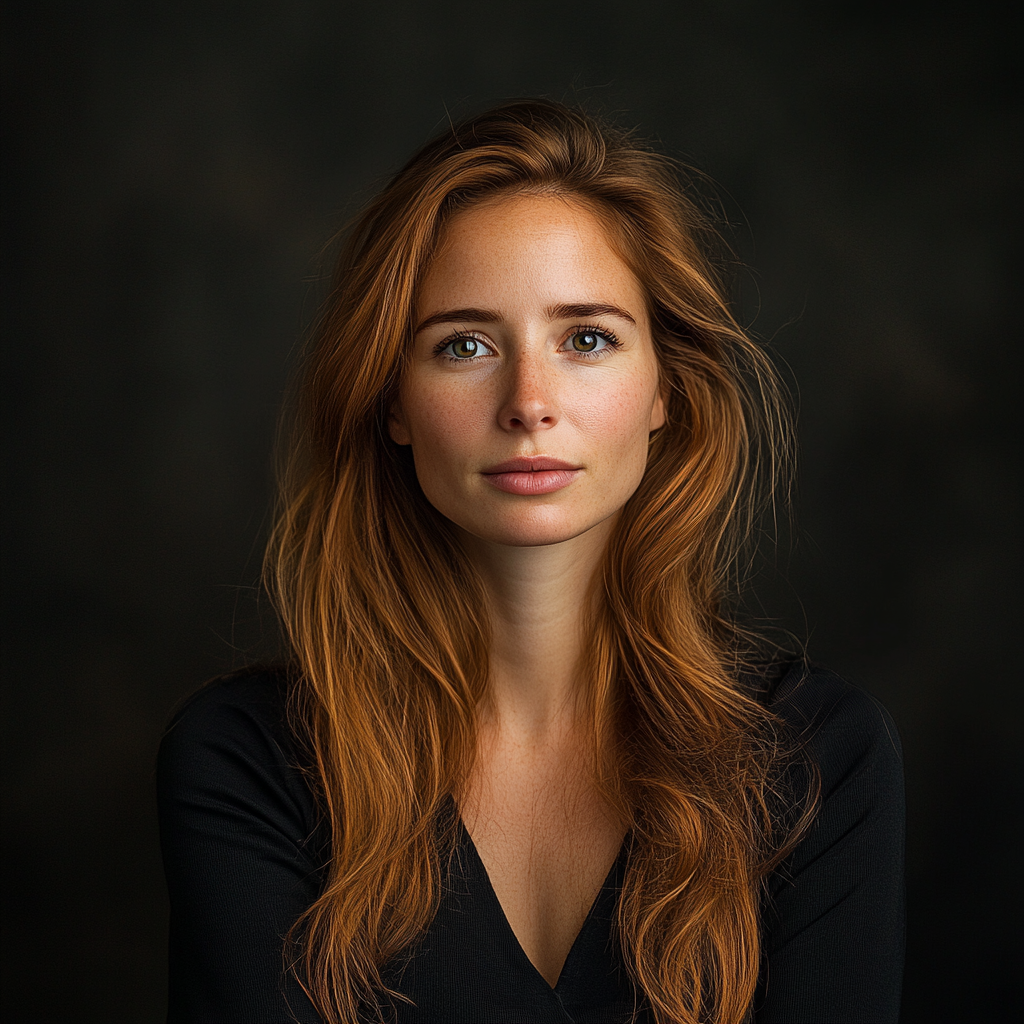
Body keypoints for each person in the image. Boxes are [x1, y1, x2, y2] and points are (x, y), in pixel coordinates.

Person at [157, 100, 905, 1024]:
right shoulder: (250, 764)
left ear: (665, 388)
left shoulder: (817, 761)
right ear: (392, 400)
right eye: (465, 345)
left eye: (586, 338)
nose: (529, 403)